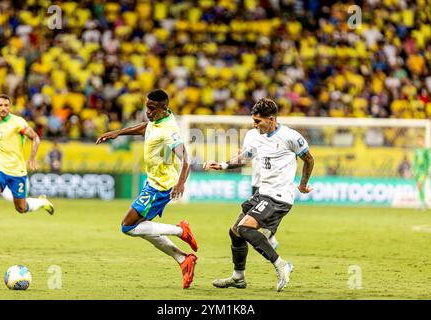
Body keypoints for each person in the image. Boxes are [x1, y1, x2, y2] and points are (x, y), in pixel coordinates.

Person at [204, 98, 315, 291]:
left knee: (246, 228)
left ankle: (282, 265)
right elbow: (245, 157)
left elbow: (309, 159)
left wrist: (303, 184)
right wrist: (222, 165)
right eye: (253, 120)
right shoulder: (254, 136)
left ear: (271, 119)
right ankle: (238, 277)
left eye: (258, 121)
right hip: (263, 193)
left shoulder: (290, 136)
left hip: (279, 196)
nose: (254, 125)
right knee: (235, 232)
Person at [96, 89, 198, 289]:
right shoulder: (159, 118)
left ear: (163, 108)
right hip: (153, 183)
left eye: (152, 108)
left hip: (159, 187)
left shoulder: (169, 131)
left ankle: (180, 230)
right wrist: (118, 133)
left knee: (129, 227)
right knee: (146, 230)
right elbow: (146, 127)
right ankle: (183, 260)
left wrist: (180, 183)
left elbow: (187, 159)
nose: (148, 112)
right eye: (147, 107)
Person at [0, 94, 54, 246]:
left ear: (10, 107)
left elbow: (35, 138)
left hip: (17, 171)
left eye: (6, 105)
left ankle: (41, 202)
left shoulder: (18, 122)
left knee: (21, 208)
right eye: (0, 105)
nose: (3, 108)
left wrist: (32, 157)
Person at [242, 128, 279, 250]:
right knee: (250, 210)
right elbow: (246, 154)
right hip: (257, 181)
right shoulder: (251, 134)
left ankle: (269, 234)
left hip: (271, 182)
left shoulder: (278, 134)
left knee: (271, 210)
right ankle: (265, 236)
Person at [413, 137, 430, 210]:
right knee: (419, 186)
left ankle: (423, 203)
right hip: (417, 171)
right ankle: (423, 203)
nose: (418, 142)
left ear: (423, 142)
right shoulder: (416, 151)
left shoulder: (426, 150)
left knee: (420, 185)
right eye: (418, 141)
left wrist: (428, 169)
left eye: (420, 141)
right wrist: (413, 170)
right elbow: (415, 161)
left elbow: (429, 160)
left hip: (424, 170)